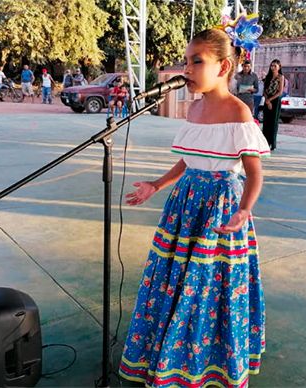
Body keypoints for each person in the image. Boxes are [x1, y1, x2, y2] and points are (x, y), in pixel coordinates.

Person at [119, 28, 269, 388]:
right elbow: (188, 162)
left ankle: (206, 362)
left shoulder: (239, 112)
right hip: (184, 204)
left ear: (224, 66)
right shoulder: (194, 108)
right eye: (186, 61)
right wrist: (155, 185)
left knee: (208, 285)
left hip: (220, 208)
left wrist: (244, 209)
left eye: (197, 61)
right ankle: (167, 353)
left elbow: (254, 174)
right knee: (173, 279)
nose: (187, 68)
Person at [262, 59, 284, 150]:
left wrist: (270, 100)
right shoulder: (268, 77)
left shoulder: (280, 77)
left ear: (279, 67)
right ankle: (264, 142)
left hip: (275, 100)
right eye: (272, 66)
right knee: (266, 122)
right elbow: (264, 90)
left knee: (273, 122)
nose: (273, 67)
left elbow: (280, 92)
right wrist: (267, 100)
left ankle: (272, 143)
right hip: (267, 100)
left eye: (275, 66)